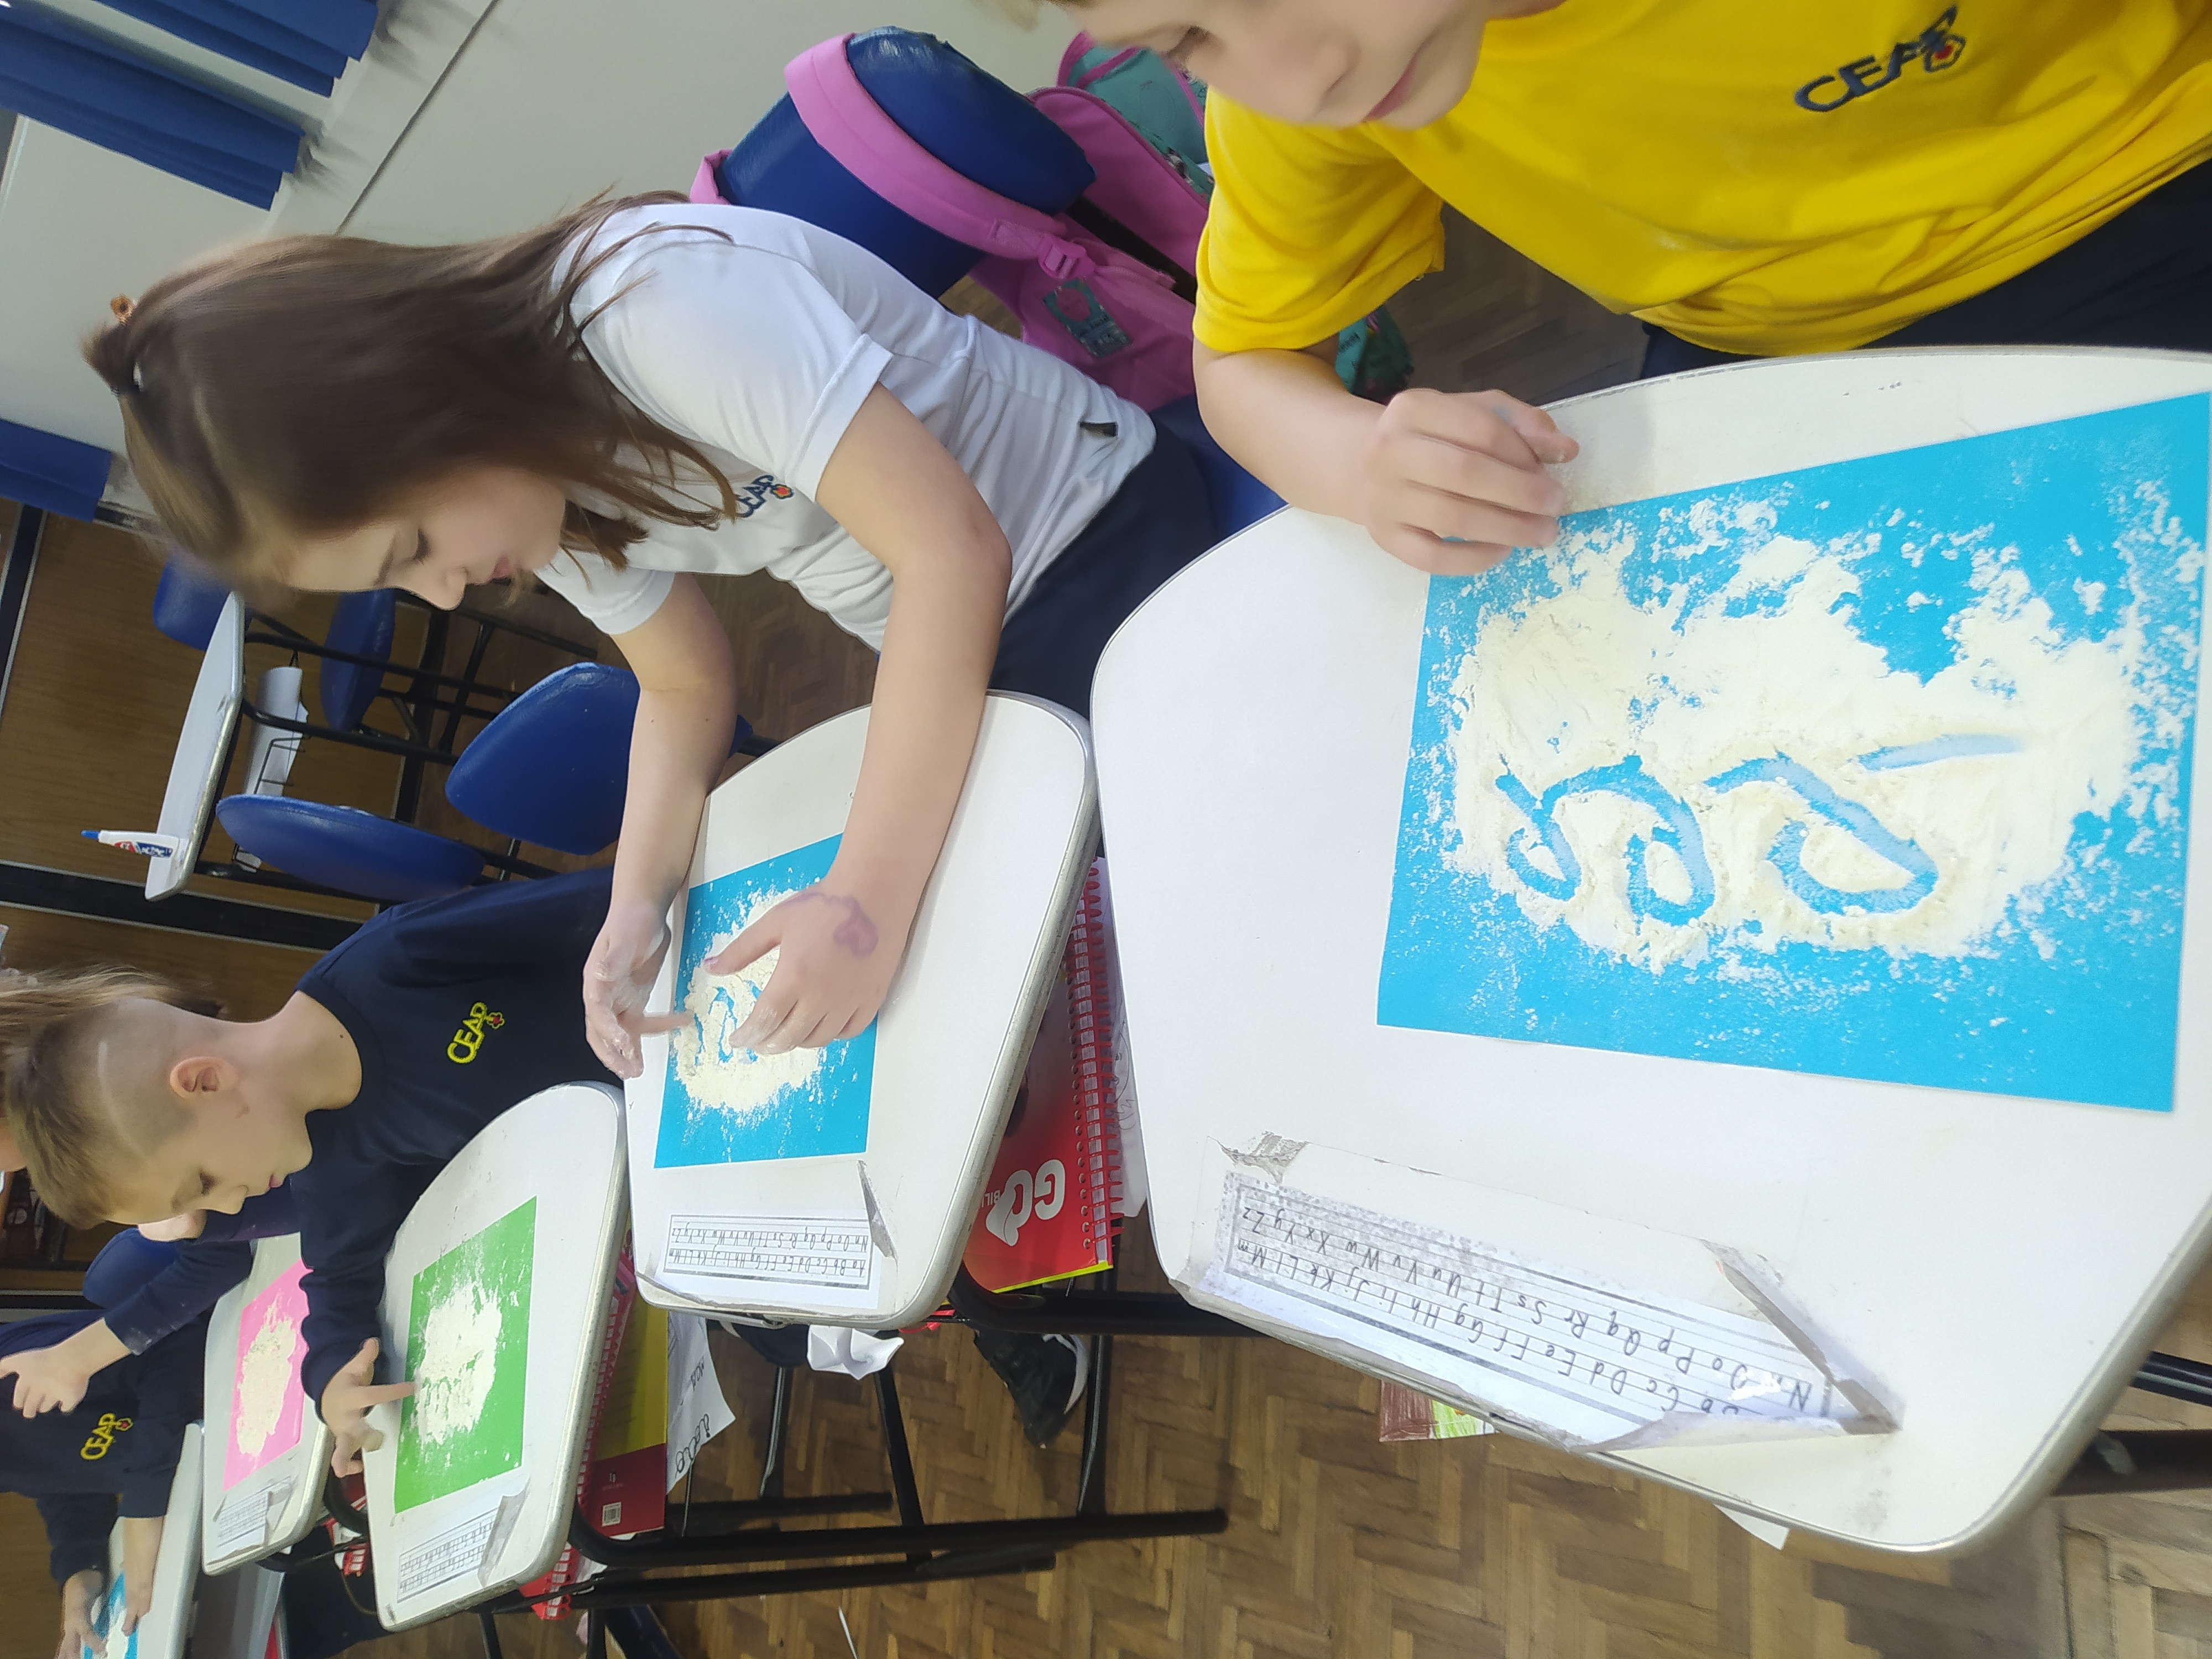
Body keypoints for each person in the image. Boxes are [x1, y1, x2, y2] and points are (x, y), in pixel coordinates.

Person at [86, 196, 1217, 1087]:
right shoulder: (527, 480)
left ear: (425, 401)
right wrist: (635, 906)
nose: (440, 592)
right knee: (1006, 938)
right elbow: (679, 683)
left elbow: (953, 553)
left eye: (412, 547)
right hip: (972, 634)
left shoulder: (656, 310)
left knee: (1070, 925)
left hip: (1094, 526)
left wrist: (859, 904)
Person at [1057, 0, 2212, 573]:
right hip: (1762, 354)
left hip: (2147, 195)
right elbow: (1240, 359)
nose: (1298, 76)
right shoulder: (1298, 103)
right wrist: (1357, 459)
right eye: (1187, 38)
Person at [4, 872, 1093, 1468]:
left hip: (747, 1065)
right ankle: (971, 1290)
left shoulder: (390, 966)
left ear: (205, 1083)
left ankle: (1006, 1288)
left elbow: (619, 904)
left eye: (201, 1185)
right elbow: (337, 1280)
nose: (230, 1211)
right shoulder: (326, 1157)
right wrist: (329, 1375)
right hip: (678, 1188)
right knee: (770, 1311)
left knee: (897, 1204)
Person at [1, 1310, 207, 1659]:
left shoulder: (12, 1366)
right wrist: (79, 1569)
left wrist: (143, 1507)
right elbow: (62, 1478)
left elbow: (177, 1344)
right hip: (205, 1488)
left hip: (247, 1393)